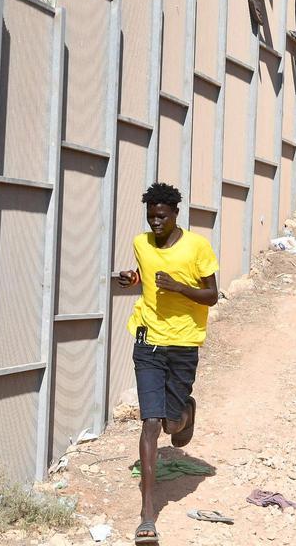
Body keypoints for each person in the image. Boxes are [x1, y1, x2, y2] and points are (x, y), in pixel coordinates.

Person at [116, 182, 220, 545]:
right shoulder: (140, 243)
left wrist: (179, 287)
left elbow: (212, 295)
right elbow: (145, 275)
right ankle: (148, 514)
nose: (155, 223)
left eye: (161, 217)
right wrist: (132, 278)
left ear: (176, 213)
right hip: (148, 340)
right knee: (150, 423)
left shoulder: (197, 247)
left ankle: (186, 412)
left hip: (183, 344)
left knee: (172, 426)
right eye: (151, 217)